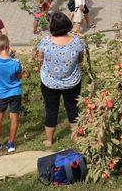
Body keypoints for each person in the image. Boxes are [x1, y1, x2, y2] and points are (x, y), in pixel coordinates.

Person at [36, 11, 86, 147]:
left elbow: (40, 58)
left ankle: (49, 140)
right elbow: (80, 59)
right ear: (67, 24)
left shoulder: (45, 42)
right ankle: (76, 137)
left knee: (51, 110)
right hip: (72, 82)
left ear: (52, 26)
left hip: (50, 82)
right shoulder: (76, 41)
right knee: (73, 108)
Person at [0, 34, 22, 155]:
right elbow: (19, 77)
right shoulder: (16, 63)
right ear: (8, 46)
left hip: (1, 94)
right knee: (14, 116)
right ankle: (11, 143)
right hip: (15, 92)